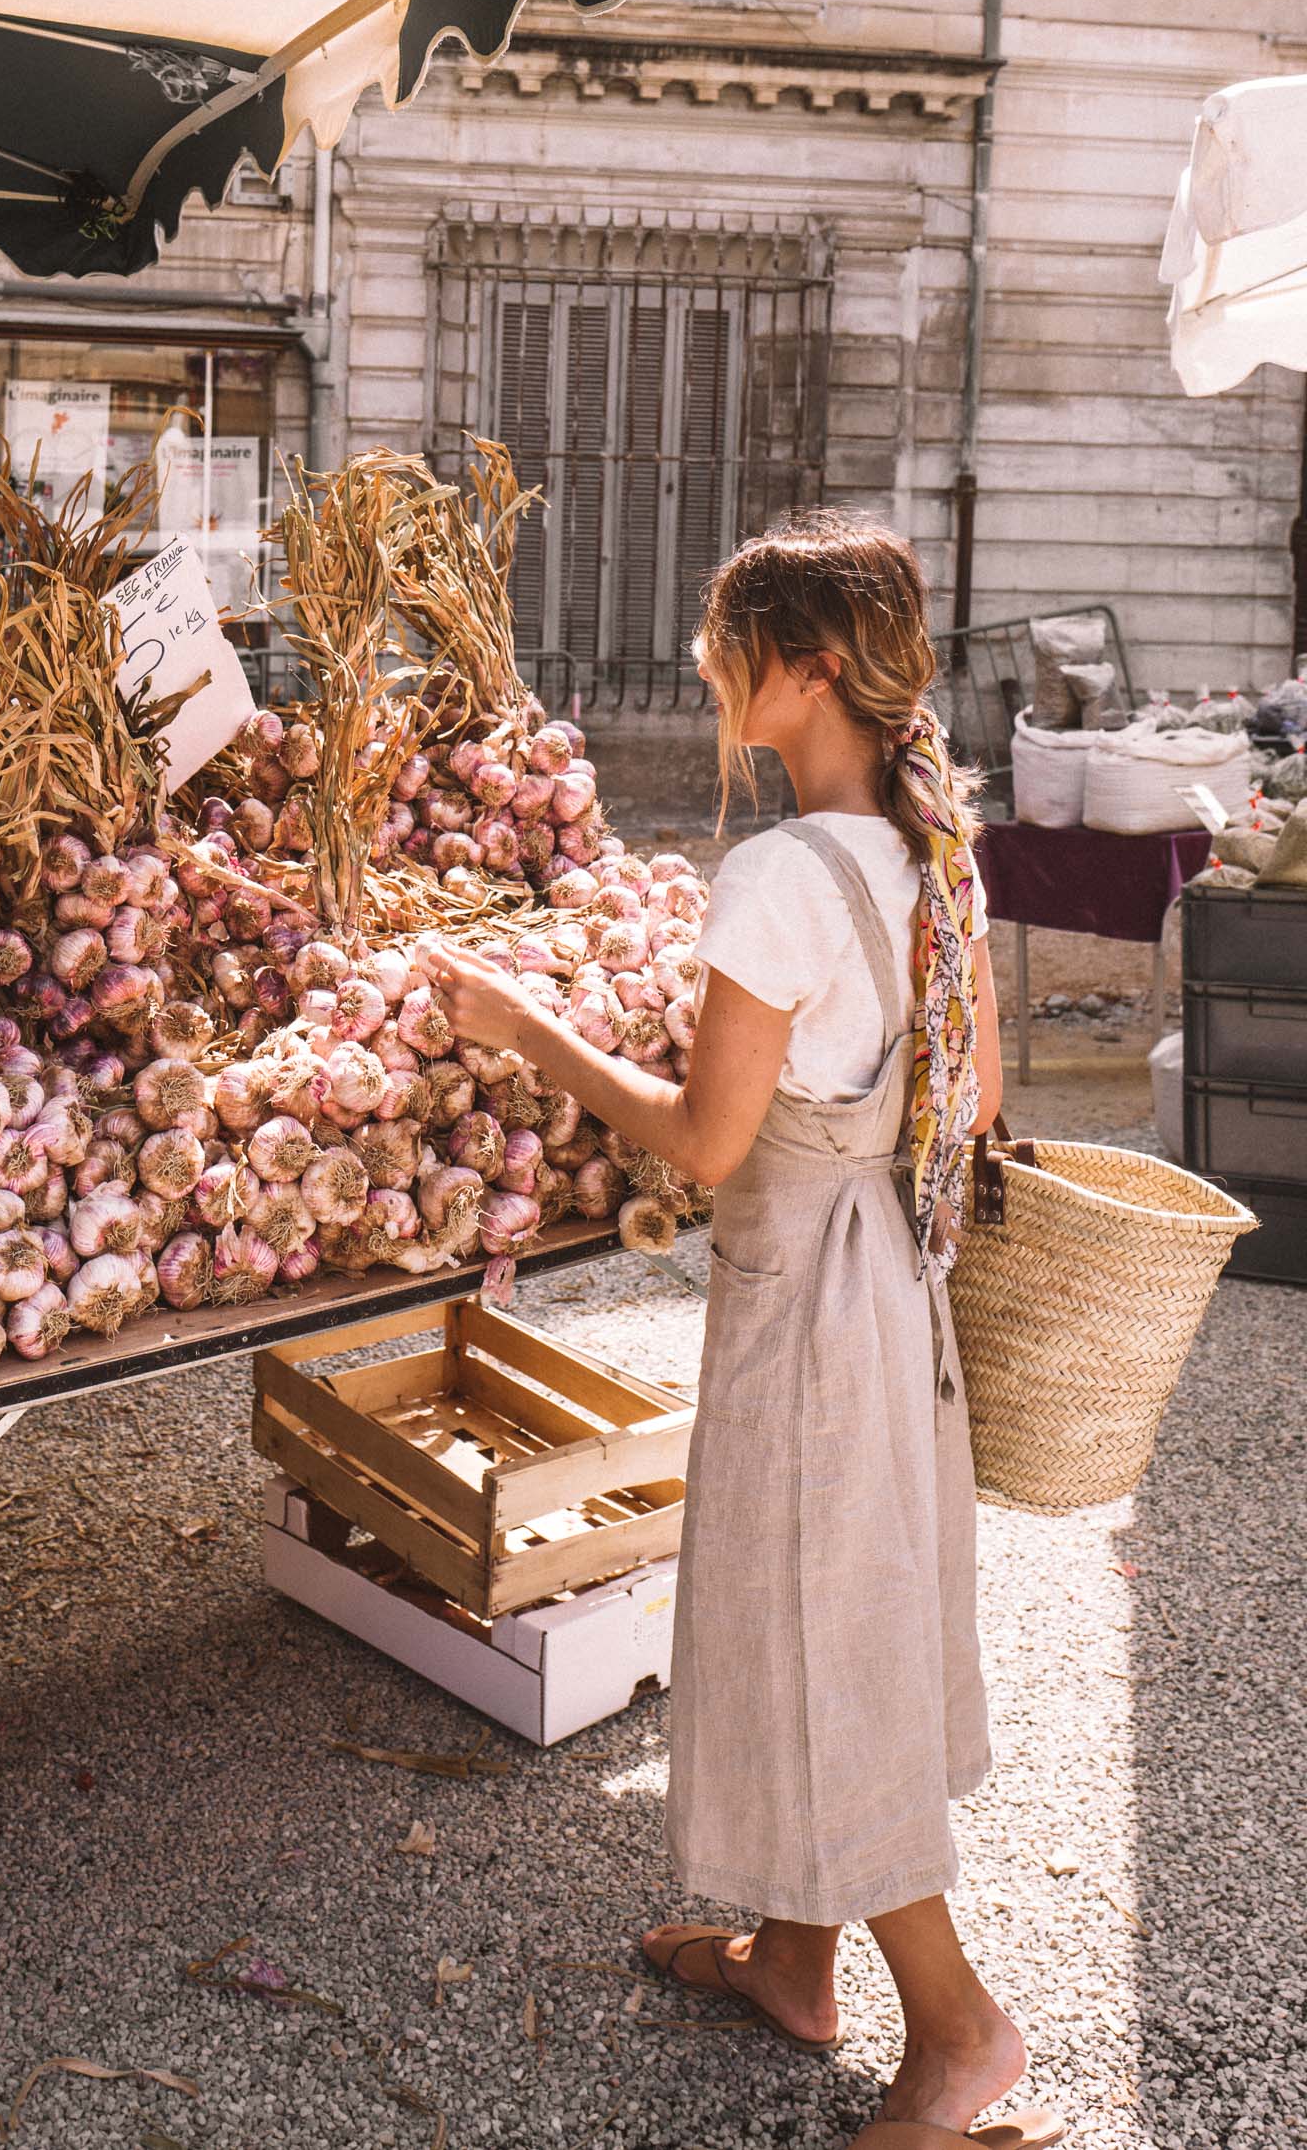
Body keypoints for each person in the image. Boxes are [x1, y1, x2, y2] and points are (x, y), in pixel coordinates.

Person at [421, 513, 1062, 2150]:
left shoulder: (777, 873)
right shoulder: (933, 857)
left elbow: (701, 1148)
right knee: (826, 1616)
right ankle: (795, 1958)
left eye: (731, 648)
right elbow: (979, 1097)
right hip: (890, 1299)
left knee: (816, 1642)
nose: (712, 672)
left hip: (805, 1314)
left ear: (808, 672)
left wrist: (527, 1026)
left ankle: (962, 2031)